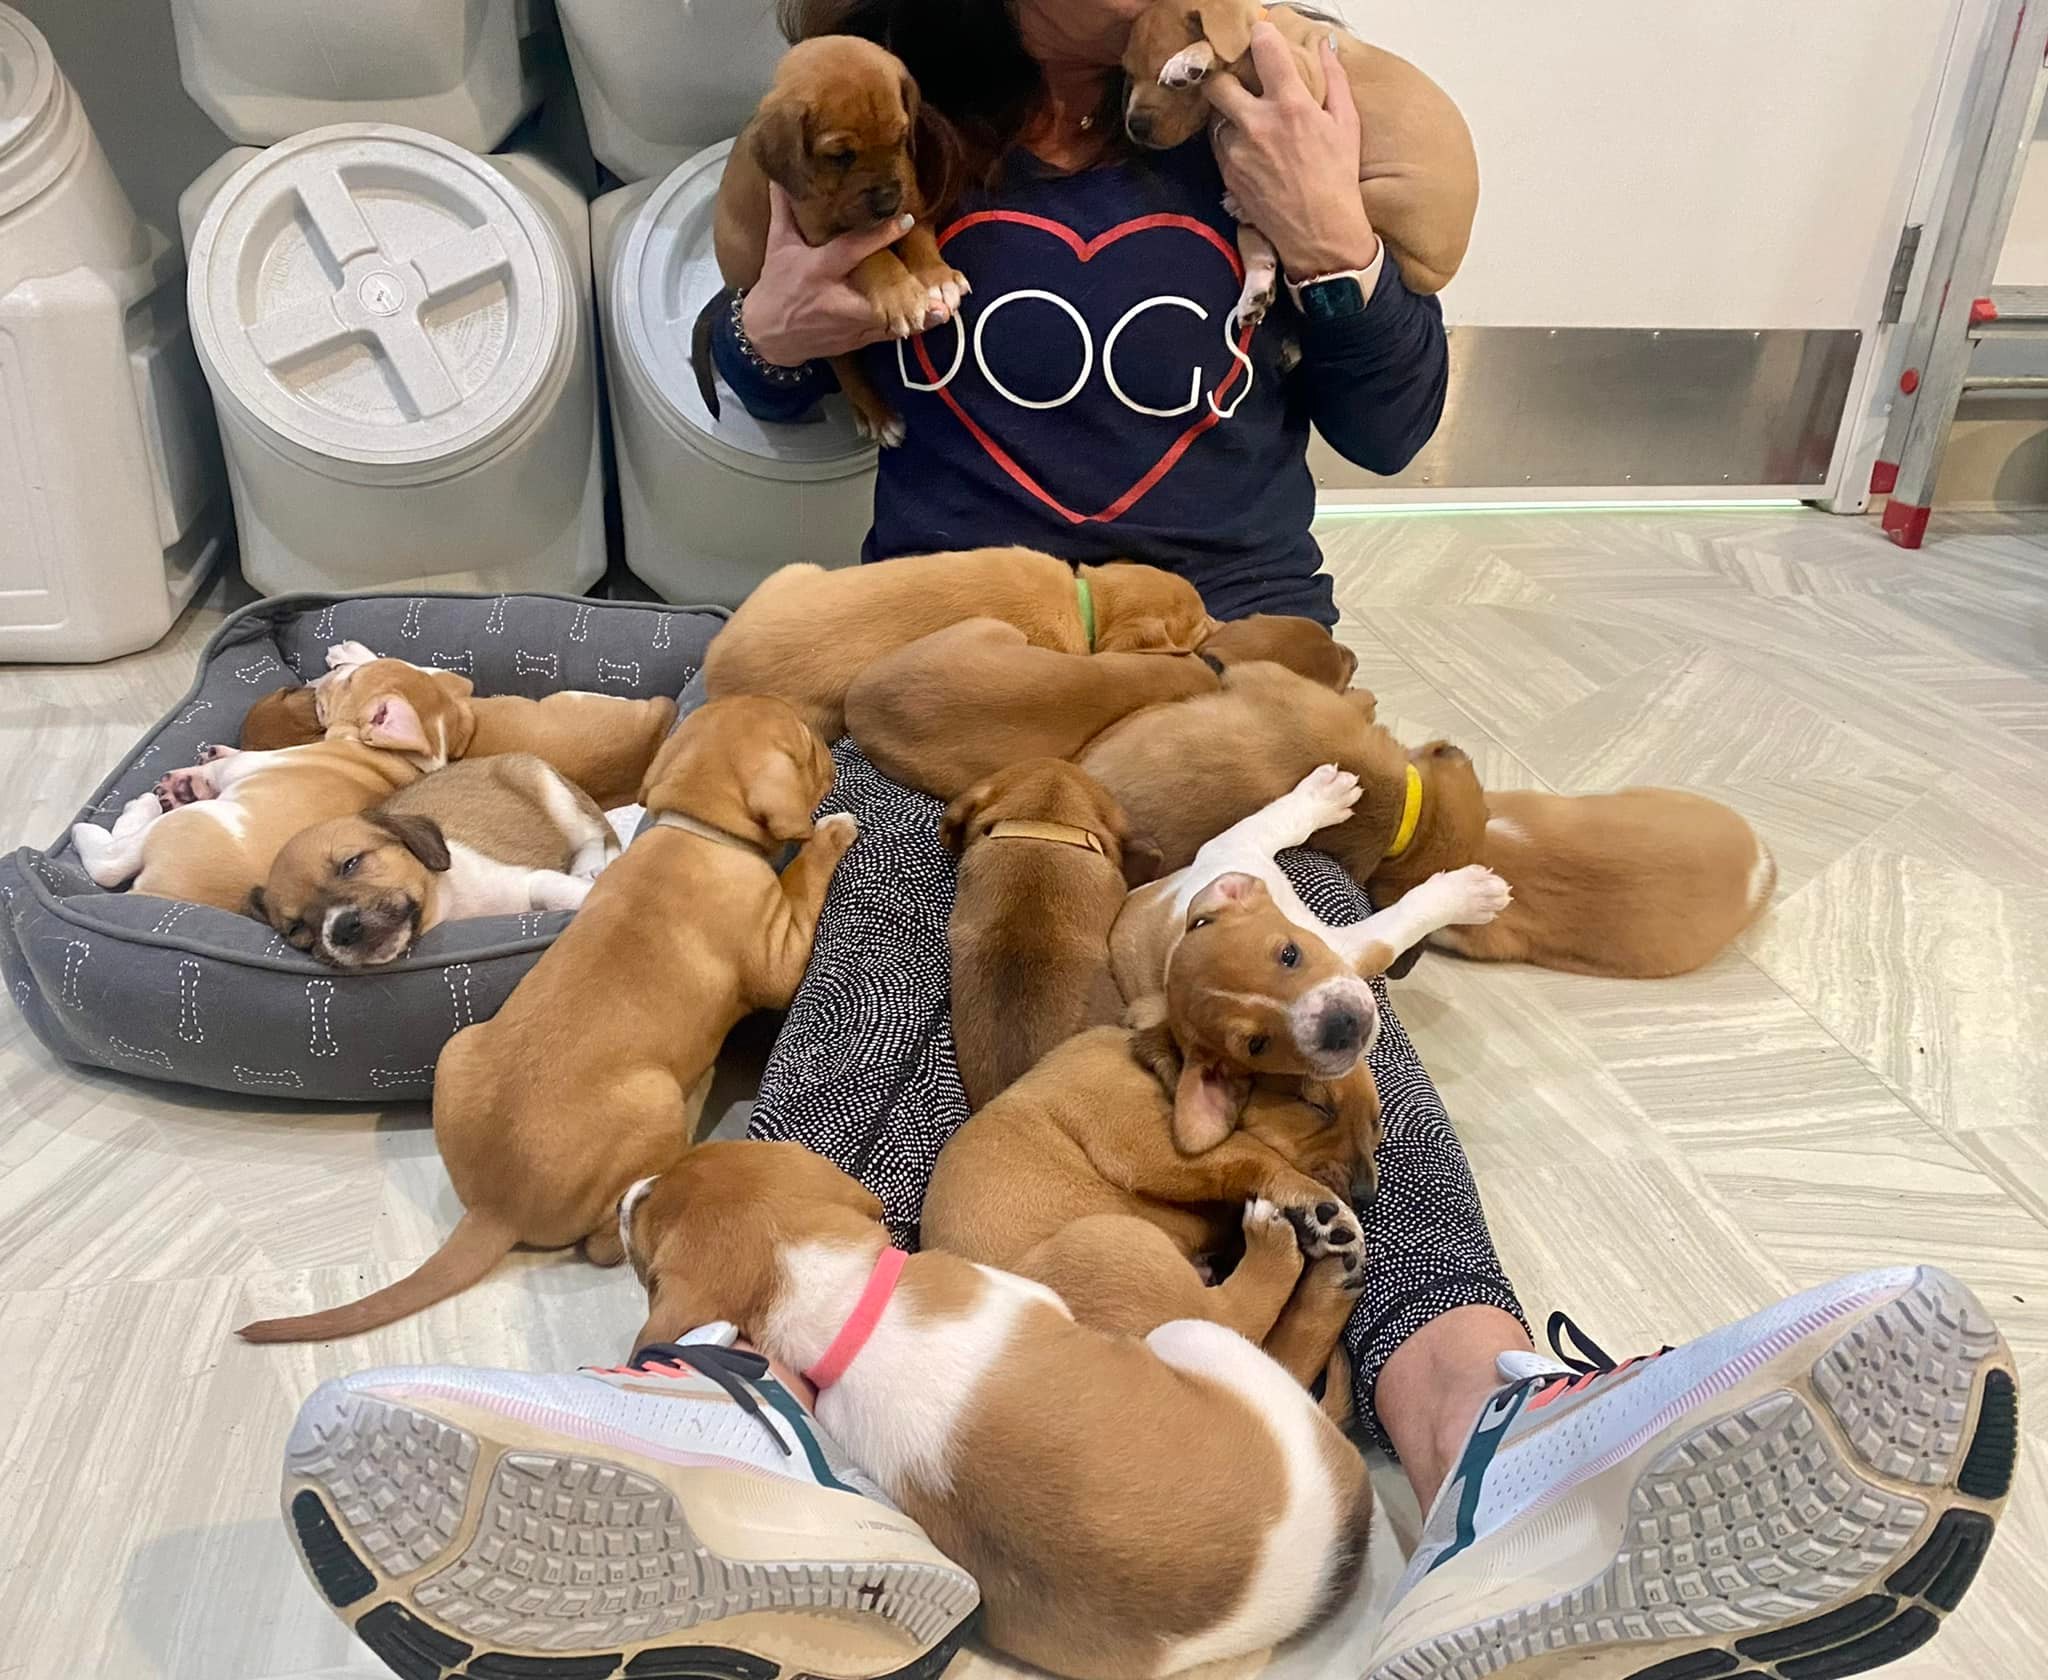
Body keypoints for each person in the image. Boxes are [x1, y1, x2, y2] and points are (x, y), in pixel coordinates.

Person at [283, 4, 2018, 1678]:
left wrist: (1332, 242)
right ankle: (744, 1388)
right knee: (886, 899)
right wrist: (769, 332)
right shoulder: (891, 103)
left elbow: (1395, 422)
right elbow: (755, 389)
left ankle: (1486, 1419)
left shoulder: (1284, 89)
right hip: (951, 649)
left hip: (1220, 648)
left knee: (1299, 946)